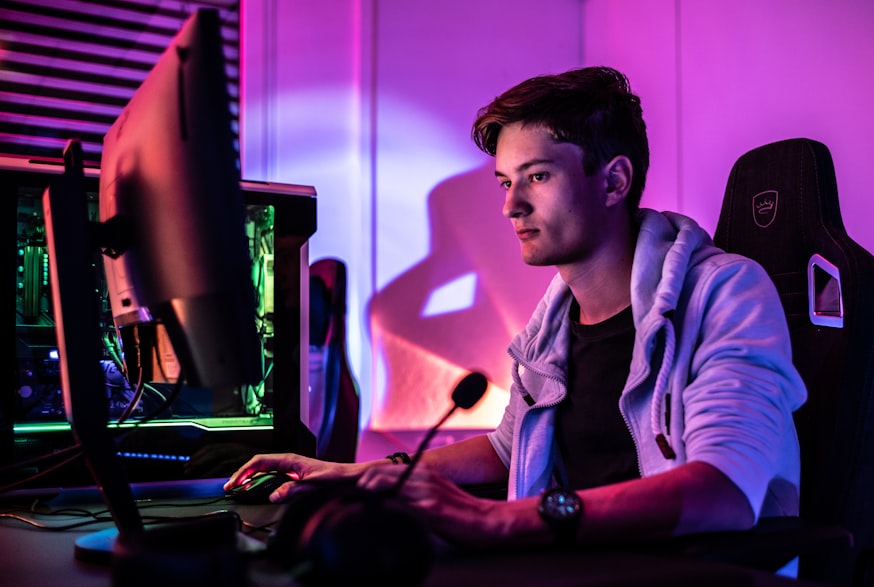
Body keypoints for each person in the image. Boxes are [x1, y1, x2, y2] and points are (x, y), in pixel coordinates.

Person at [225, 66, 807, 550]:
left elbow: (722, 492)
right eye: (505, 181)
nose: (511, 206)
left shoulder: (723, 294)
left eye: (537, 176)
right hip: (579, 579)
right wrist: (364, 477)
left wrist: (494, 520)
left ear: (613, 182)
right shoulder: (549, 329)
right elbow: (508, 449)